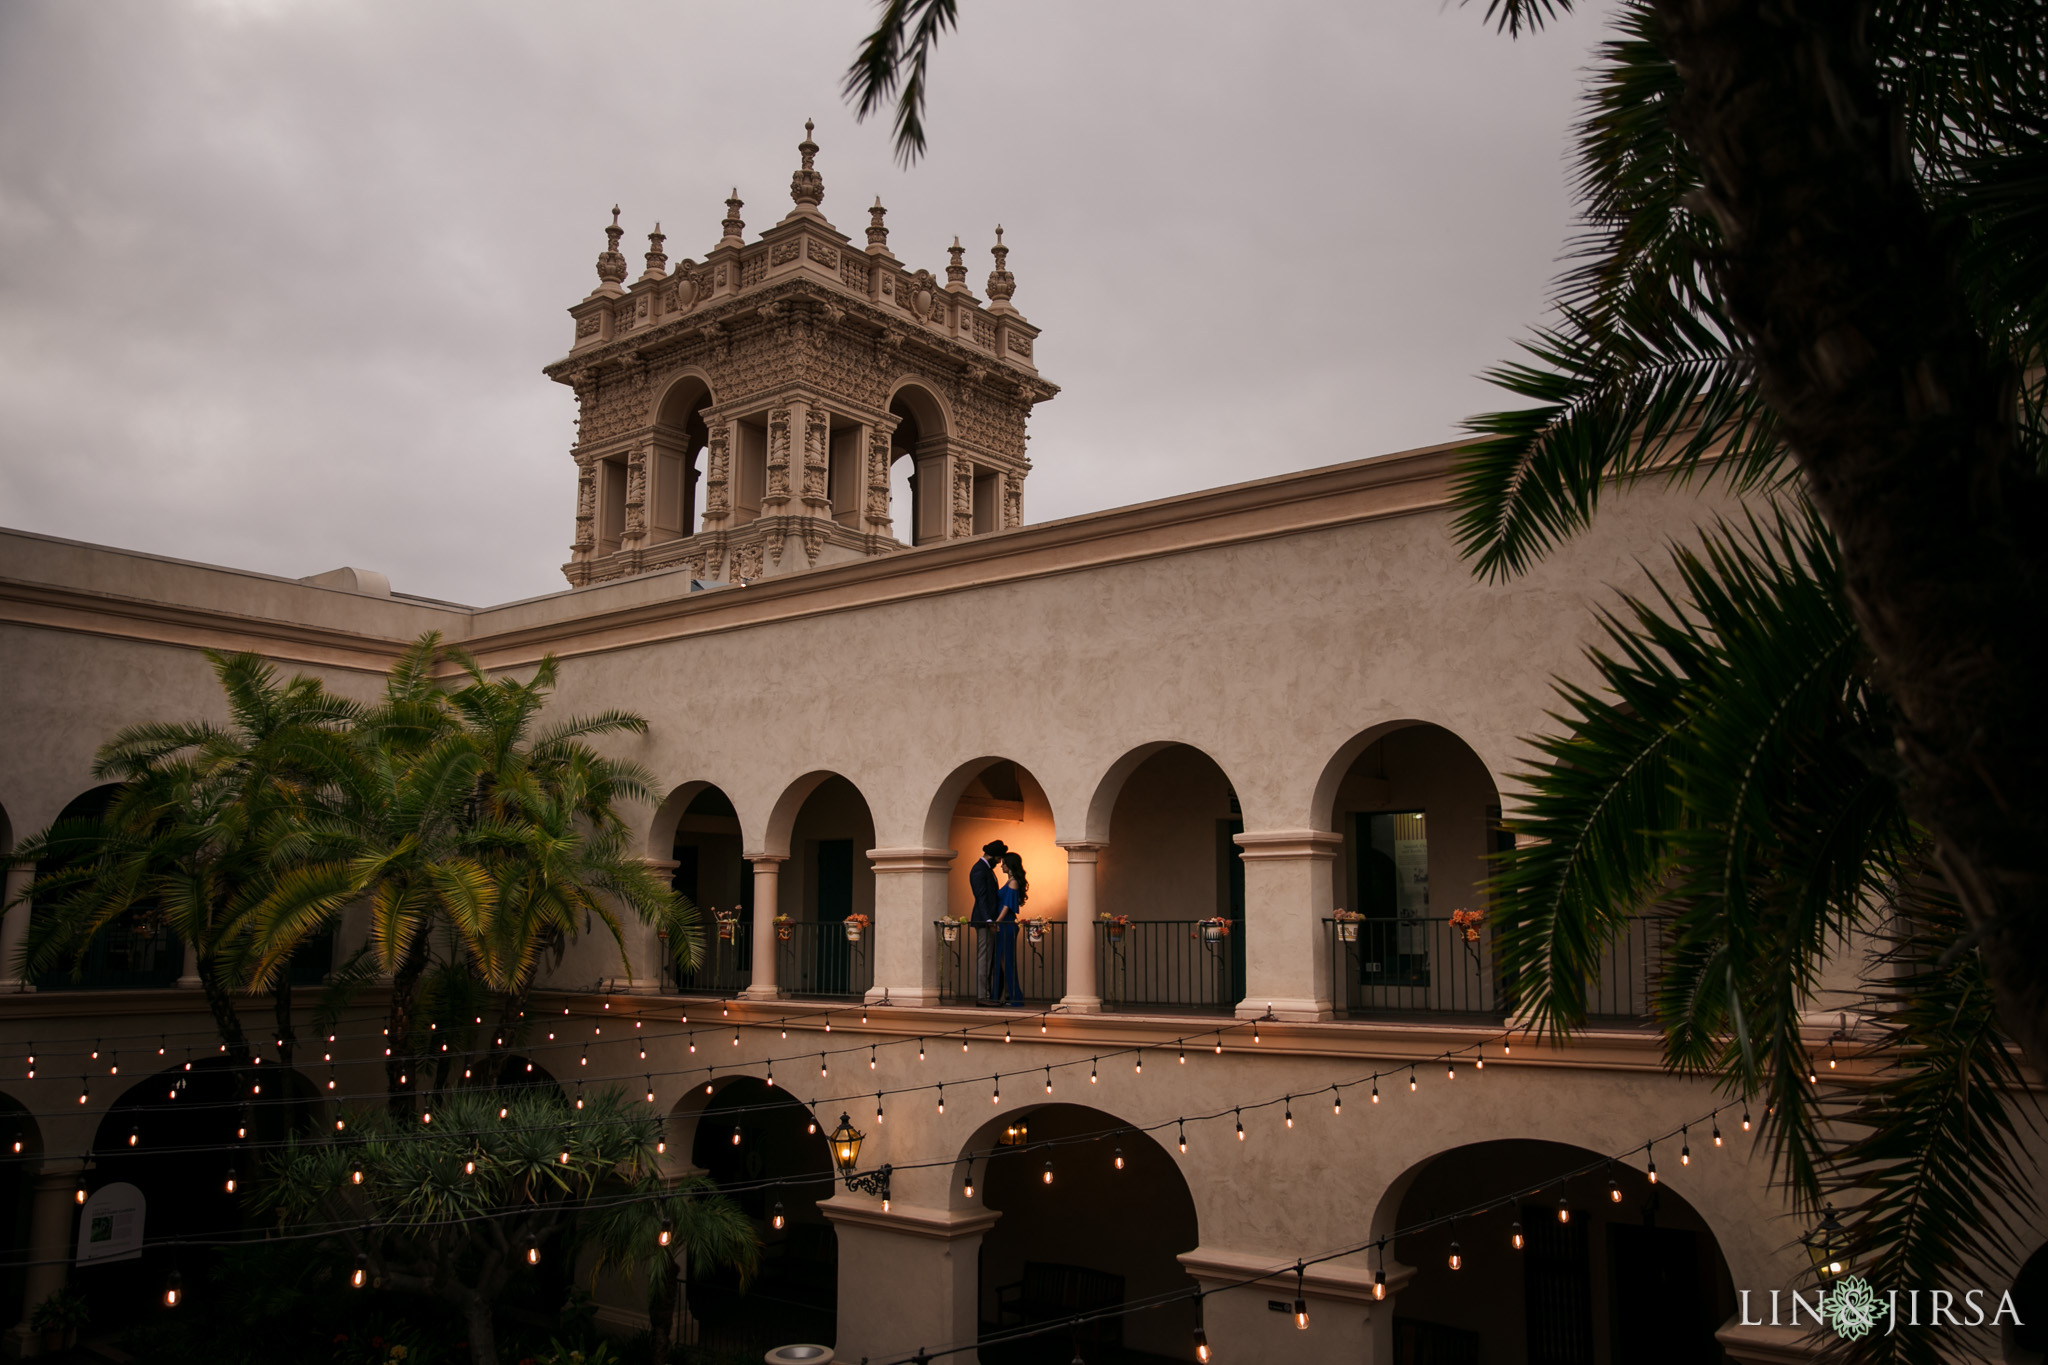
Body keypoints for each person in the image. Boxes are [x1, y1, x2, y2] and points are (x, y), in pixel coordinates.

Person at [968, 839, 1008, 1004]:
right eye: (998, 859)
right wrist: (989, 920)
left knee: (988, 958)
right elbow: (981, 897)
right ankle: (982, 996)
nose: (999, 863)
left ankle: (988, 994)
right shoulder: (979, 869)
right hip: (984, 921)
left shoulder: (986, 869)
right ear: (992, 856)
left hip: (988, 920)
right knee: (984, 958)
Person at [992, 851, 1029, 1008]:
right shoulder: (1011, 882)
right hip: (1005, 924)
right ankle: (1007, 994)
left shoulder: (1013, 883)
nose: (1002, 866)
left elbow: (1007, 905)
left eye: (1004, 864)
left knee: (1006, 960)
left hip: (1006, 924)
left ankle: (1013, 995)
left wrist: (997, 921)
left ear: (1010, 865)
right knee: (1002, 960)